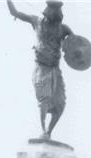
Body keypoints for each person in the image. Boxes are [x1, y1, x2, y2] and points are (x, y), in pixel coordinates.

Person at [5, 0, 74, 138]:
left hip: (55, 69)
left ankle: (49, 131)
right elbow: (15, 12)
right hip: (41, 68)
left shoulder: (63, 29)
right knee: (45, 99)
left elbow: (76, 45)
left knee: (60, 105)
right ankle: (43, 131)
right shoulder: (36, 21)